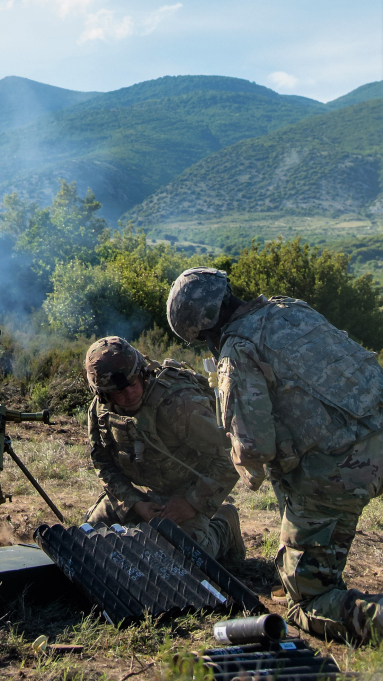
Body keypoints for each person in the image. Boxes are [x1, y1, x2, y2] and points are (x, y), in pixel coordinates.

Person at [167, 267, 383, 644]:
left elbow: (255, 450)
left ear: (201, 331)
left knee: (306, 604)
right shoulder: (292, 308)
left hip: (335, 474)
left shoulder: (237, 350)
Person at [83, 335, 243, 560]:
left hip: (186, 493)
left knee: (189, 557)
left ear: (142, 374)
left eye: (132, 384)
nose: (129, 395)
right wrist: (136, 504)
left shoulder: (178, 404)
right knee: (88, 539)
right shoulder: (100, 412)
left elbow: (231, 456)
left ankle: (223, 526)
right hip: (142, 496)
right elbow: (103, 464)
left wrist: (191, 503)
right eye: (118, 392)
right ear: (103, 393)